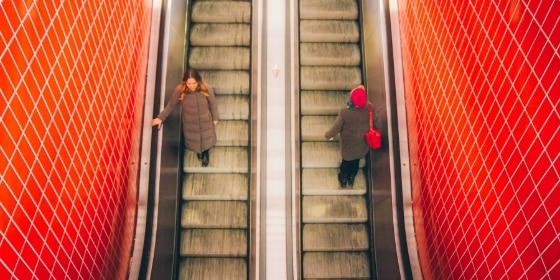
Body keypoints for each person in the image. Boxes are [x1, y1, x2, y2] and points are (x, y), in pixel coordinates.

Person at [152, 69, 219, 167]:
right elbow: (171, 105)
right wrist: (160, 118)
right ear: (185, 82)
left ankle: (205, 154)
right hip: (190, 122)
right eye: (189, 83)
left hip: (205, 120)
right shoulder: (180, 90)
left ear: (198, 81)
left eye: (194, 83)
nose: (192, 86)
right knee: (195, 140)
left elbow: (213, 104)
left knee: (206, 138)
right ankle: (199, 152)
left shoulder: (206, 88)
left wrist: (215, 118)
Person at [324, 85, 370, 187]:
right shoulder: (370, 108)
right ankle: (352, 177)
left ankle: (343, 178)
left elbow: (337, 127)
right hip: (362, 144)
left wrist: (328, 135)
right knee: (356, 162)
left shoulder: (345, 111)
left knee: (346, 162)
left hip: (348, 145)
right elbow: (376, 122)